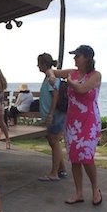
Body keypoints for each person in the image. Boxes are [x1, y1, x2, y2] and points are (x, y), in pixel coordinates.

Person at [47, 45, 102, 206]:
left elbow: (82, 89)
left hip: (89, 122)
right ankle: (78, 193)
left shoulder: (95, 75)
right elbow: (51, 71)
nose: (75, 58)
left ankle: (95, 190)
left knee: (87, 157)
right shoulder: (73, 72)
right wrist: (51, 75)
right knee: (75, 158)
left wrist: (69, 82)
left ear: (86, 58)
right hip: (72, 121)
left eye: (77, 56)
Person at [36, 53, 68, 181]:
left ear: (43, 64)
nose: (37, 66)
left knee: (54, 142)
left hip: (55, 115)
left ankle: (54, 173)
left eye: (39, 63)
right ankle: (61, 168)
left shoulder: (52, 79)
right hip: (55, 115)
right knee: (53, 142)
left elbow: (55, 96)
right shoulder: (50, 77)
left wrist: (50, 114)